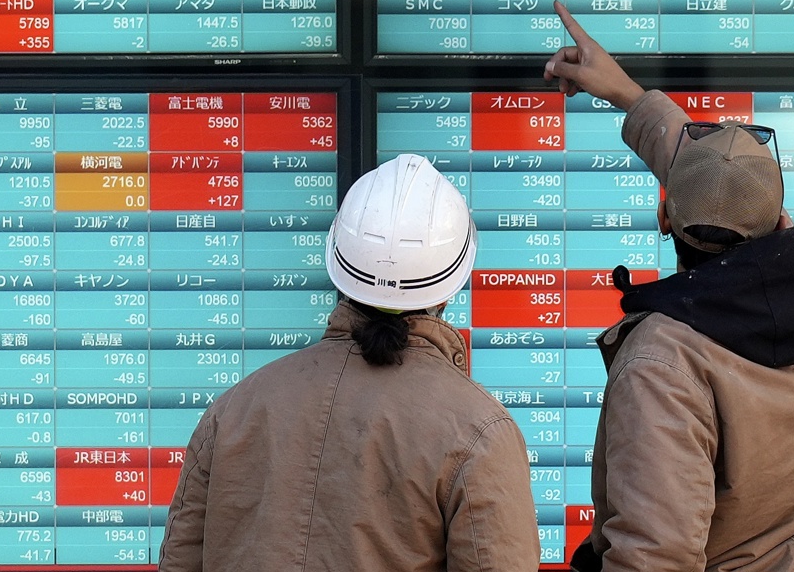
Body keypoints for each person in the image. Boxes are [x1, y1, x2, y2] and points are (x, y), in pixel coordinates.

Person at [543, 2, 794, 572]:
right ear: (781, 224)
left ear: (665, 219)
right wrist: (631, 98)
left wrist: (630, 97)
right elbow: (734, 202)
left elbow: (654, 558)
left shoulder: (664, 363)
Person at [157, 153, 540, 572]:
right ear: (452, 283)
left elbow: (179, 558)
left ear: (337, 261)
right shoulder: (479, 430)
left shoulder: (235, 409)